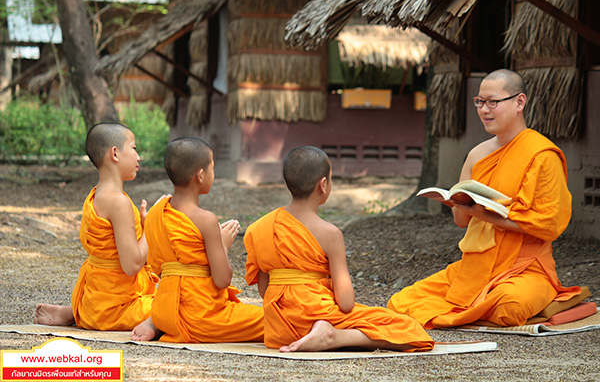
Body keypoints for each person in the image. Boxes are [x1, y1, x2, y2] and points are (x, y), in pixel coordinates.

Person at [387, 69, 582, 328]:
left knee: (510, 308)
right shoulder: (477, 155)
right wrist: (458, 203)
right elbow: (461, 223)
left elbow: (549, 225)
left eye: (493, 102)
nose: (484, 110)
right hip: (475, 268)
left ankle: (519, 297)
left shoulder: (542, 154)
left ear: (519, 102)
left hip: (526, 267)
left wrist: (487, 215)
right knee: (402, 302)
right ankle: (480, 302)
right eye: (479, 102)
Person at [244, 146, 434, 352]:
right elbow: (345, 303)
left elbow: (264, 291)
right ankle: (333, 336)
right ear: (323, 185)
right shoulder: (330, 233)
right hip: (319, 318)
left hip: (279, 331)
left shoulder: (260, 228)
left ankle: (325, 334)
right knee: (409, 330)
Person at [131, 137, 264, 343]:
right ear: (200, 175)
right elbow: (222, 280)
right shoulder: (205, 219)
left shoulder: (157, 213)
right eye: (212, 168)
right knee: (274, 320)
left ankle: (158, 323)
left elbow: (159, 268)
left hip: (165, 309)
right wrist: (223, 245)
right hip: (203, 317)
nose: (213, 173)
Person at [34, 122, 157, 330]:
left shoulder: (95, 195)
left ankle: (73, 311)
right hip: (117, 307)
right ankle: (149, 324)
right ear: (115, 154)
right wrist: (149, 228)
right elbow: (132, 265)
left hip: (95, 299)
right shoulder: (119, 202)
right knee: (181, 304)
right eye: (134, 149)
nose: (138, 157)